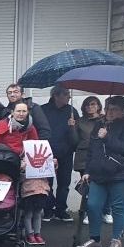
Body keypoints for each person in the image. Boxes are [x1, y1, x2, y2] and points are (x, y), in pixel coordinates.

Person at [78, 96, 124, 247]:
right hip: (100, 170)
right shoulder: (100, 123)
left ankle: (116, 239)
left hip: (123, 172)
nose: (108, 112)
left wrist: (107, 137)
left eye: (113, 109)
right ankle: (95, 239)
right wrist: (88, 170)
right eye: (107, 108)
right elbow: (92, 149)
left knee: (118, 206)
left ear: (123, 111)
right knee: (93, 204)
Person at [0, 102, 50, 244]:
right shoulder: (2, 124)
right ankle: (5, 222)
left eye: (24, 111)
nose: (21, 113)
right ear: (12, 112)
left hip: (25, 164)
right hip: (6, 161)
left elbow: (35, 145)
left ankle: (27, 229)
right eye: (18, 111)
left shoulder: (30, 127)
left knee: (26, 196)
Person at [41, 85, 80, 221]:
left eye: (69, 94)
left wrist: (73, 126)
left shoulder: (72, 111)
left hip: (66, 153)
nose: (69, 96)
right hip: (47, 153)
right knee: (46, 183)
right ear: (56, 96)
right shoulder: (43, 110)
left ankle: (61, 210)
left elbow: (76, 137)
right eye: (65, 94)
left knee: (64, 183)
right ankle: (48, 209)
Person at [74, 96, 111, 226]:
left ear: (99, 106)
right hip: (84, 157)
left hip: (102, 156)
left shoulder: (105, 120)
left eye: (93, 104)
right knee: (88, 187)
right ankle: (89, 213)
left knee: (104, 185)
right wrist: (71, 128)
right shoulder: (79, 121)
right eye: (87, 105)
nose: (90, 107)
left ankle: (106, 211)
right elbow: (74, 141)